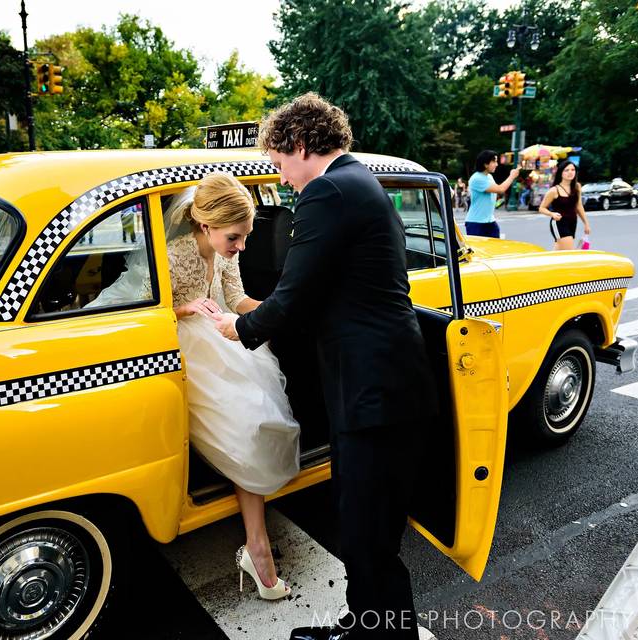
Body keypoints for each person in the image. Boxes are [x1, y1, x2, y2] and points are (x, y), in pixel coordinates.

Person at [213, 93, 437, 639]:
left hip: (374, 390)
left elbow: (294, 294)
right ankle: (365, 625)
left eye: (279, 161)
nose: (281, 176)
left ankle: (383, 633)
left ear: (300, 144)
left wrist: (238, 328)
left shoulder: (328, 191)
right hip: (380, 382)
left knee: (368, 535)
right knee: (366, 528)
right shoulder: (359, 182)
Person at [168, 172, 299, 601]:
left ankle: (257, 548)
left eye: (245, 237)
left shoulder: (226, 253)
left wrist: (278, 311)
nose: (241, 246)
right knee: (247, 422)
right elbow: (142, 307)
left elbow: (237, 297)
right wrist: (186, 307)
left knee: (260, 416)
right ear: (205, 225)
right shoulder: (172, 255)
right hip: (183, 351)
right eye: (235, 237)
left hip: (227, 338)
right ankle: (259, 551)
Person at [538, 159, 591, 251]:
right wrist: (552, 214)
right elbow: (541, 208)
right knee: (569, 252)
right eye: (567, 170)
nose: (570, 172)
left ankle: (546, 265)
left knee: (559, 253)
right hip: (559, 223)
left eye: (573, 170)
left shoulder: (577, 187)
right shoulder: (554, 190)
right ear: (561, 173)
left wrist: (586, 223)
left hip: (572, 222)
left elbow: (579, 206)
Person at [464, 150, 519, 238]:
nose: (496, 164)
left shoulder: (489, 176)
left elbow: (497, 189)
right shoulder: (477, 178)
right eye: (494, 161)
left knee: (495, 249)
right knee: (479, 251)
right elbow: (500, 189)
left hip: (490, 221)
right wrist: (512, 176)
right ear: (485, 164)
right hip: (476, 223)